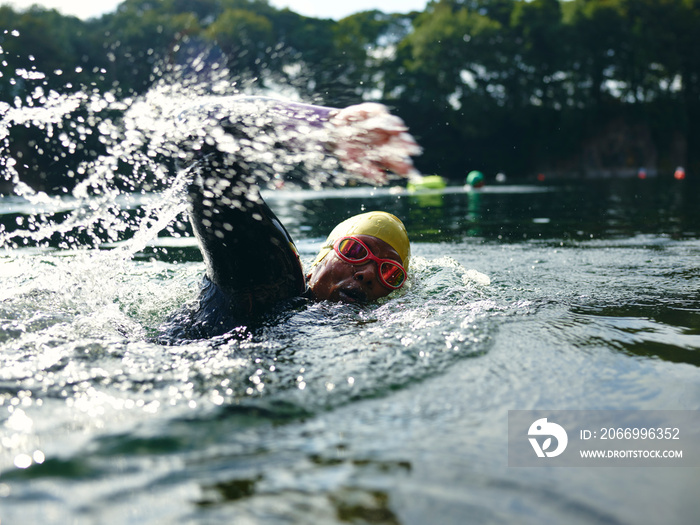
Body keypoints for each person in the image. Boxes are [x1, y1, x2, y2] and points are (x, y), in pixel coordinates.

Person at [159, 96, 419, 341]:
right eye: (354, 250)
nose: (367, 274)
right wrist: (328, 126)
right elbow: (200, 127)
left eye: (390, 273)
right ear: (318, 262)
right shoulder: (275, 281)